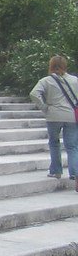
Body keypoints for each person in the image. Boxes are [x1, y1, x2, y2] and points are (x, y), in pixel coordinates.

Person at [30, 55, 78, 191]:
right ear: (65, 65)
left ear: (51, 66)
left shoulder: (46, 81)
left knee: (54, 142)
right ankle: (75, 173)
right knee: (72, 146)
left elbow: (34, 94)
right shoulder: (75, 80)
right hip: (71, 116)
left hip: (53, 116)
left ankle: (56, 170)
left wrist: (44, 107)